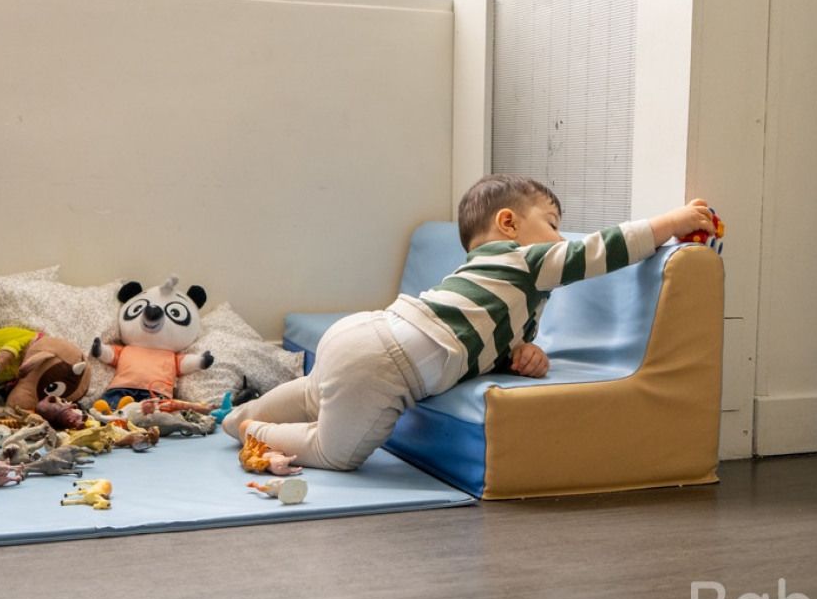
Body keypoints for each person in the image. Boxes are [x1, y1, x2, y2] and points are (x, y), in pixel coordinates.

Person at [221, 174, 715, 471]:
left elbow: (478, 342)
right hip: (387, 362)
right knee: (335, 453)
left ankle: (236, 418)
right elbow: (601, 251)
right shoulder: (526, 260)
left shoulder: (479, 278)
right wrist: (673, 222)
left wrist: (525, 354)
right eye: (552, 223)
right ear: (508, 224)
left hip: (363, 331)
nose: (559, 237)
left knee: (314, 394)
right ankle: (257, 431)